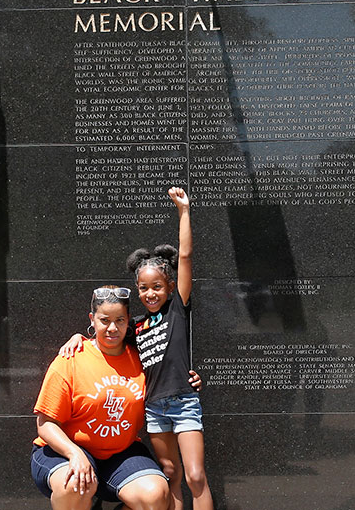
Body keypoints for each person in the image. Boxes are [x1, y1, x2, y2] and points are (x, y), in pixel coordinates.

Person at [61, 188, 212, 510]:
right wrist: (78, 337)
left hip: (184, 402)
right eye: (143, 288)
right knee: (170, 472)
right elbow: (107, 337)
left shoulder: (177, 310)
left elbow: (185, 257)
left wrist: (183, 212)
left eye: (157, 286)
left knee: (195, 476)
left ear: (170, 287)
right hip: (154, 407)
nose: (150, 293)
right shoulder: (137, 325)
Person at [32, 286, 170, 510]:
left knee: (156, 495)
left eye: (120, 320)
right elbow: (46, 424)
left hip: (121, 453)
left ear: (128, 321)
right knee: (75, 484)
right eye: (104, 320)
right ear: (92, 319)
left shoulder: (142, 359)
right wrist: (74, 453)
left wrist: (189, 382)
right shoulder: (71, 358)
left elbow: (171, 374)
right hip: (65, 451)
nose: (112, 328)